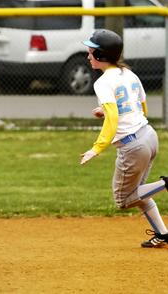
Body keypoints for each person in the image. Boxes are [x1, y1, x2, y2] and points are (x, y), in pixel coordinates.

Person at [80, 29, 168, 247]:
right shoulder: (129, 74)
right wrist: (107, 111)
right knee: (139, 193)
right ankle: (163, 235)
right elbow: (141, 105)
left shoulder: (102, 82)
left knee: (124, 199)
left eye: (91, 52)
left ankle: (166, 183)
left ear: (101, 55)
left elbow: (113, 118)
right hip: (148, 135)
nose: (88, 56)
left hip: (133, 145)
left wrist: (97, 148)